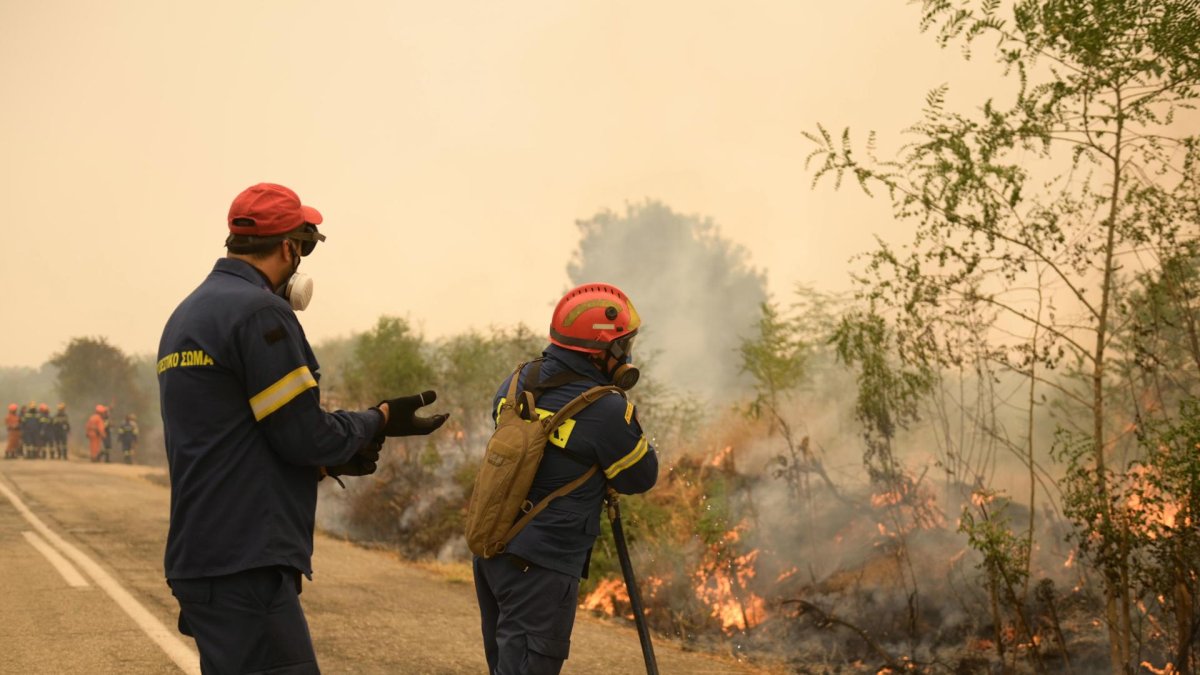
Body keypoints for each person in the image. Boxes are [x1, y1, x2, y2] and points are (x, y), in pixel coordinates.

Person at [157, 182, 449, 674]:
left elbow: (233, 438)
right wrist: (377, 420)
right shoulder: (261, 313)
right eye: (305, 247)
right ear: (291, 247)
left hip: (202, 554)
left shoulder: (186, 315)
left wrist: (321, 464)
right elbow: (302, 434)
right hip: (245, 559)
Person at [473, 282, 659, 675]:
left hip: (494, 554)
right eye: (623, 345)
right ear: (601, 351)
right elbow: (641, 477)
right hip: (541, 569)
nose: (626, 353)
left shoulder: (515, 383)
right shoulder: (607, 410)